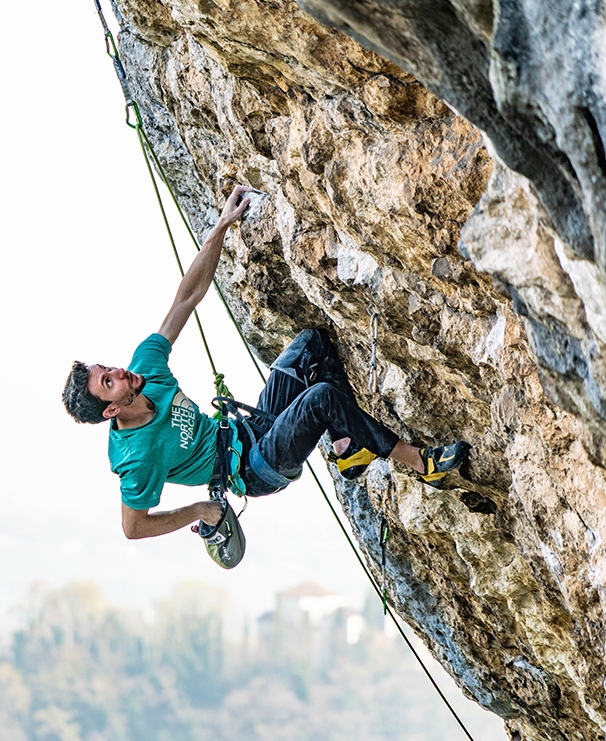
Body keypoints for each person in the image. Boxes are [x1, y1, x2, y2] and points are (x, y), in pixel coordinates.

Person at [62, 185, 469, 540]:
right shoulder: (137, 457)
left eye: (106, 369)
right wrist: (201, 510)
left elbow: (186, 299)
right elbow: (133, 527)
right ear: (112, 409)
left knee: (312, 344)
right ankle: (421, 462)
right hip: (254, 469)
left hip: (252, 428)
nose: (117, 372)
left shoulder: (144, 370)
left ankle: (349, 448)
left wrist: (220, 227)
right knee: (321, 398)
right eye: (108, 383)